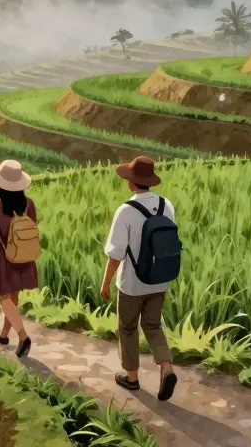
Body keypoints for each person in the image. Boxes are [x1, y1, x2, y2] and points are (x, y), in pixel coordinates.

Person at [102, 156, 179, 402]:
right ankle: (166, 368)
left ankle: (132, 378)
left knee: (127, 327)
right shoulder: (166, 205)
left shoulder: (125, 211)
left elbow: (115, 255)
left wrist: (105, 284)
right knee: (153, 325)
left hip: (132, 284)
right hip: (160, 277)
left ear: (131, 182)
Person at [0, 160, 39, 358]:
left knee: (4, 297)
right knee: (13, 298)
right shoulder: (29, 204)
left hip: (5, 258)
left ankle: (22, 336)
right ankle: (4, 334)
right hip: (25, 256)